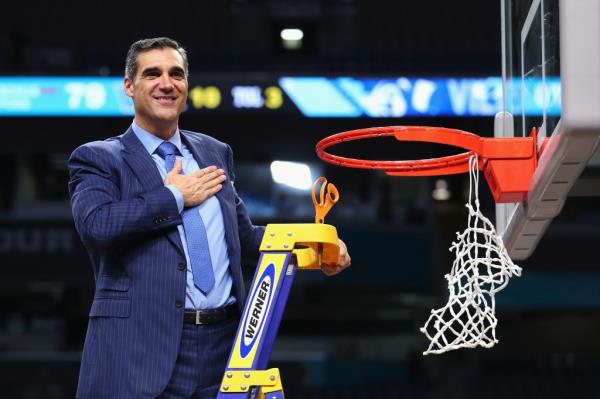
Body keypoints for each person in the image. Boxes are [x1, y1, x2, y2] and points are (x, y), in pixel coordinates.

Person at [68, 37, 351, 399]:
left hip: (225, 349)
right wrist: (173, 197)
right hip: (141, 351)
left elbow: (244, 239)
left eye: (177, 74)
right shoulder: (99, 158)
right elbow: (97, 226)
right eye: (152, 73)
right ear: (129, 86)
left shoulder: (214, 151)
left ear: (187, 85)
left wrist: (317, 244)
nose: (166, 83)